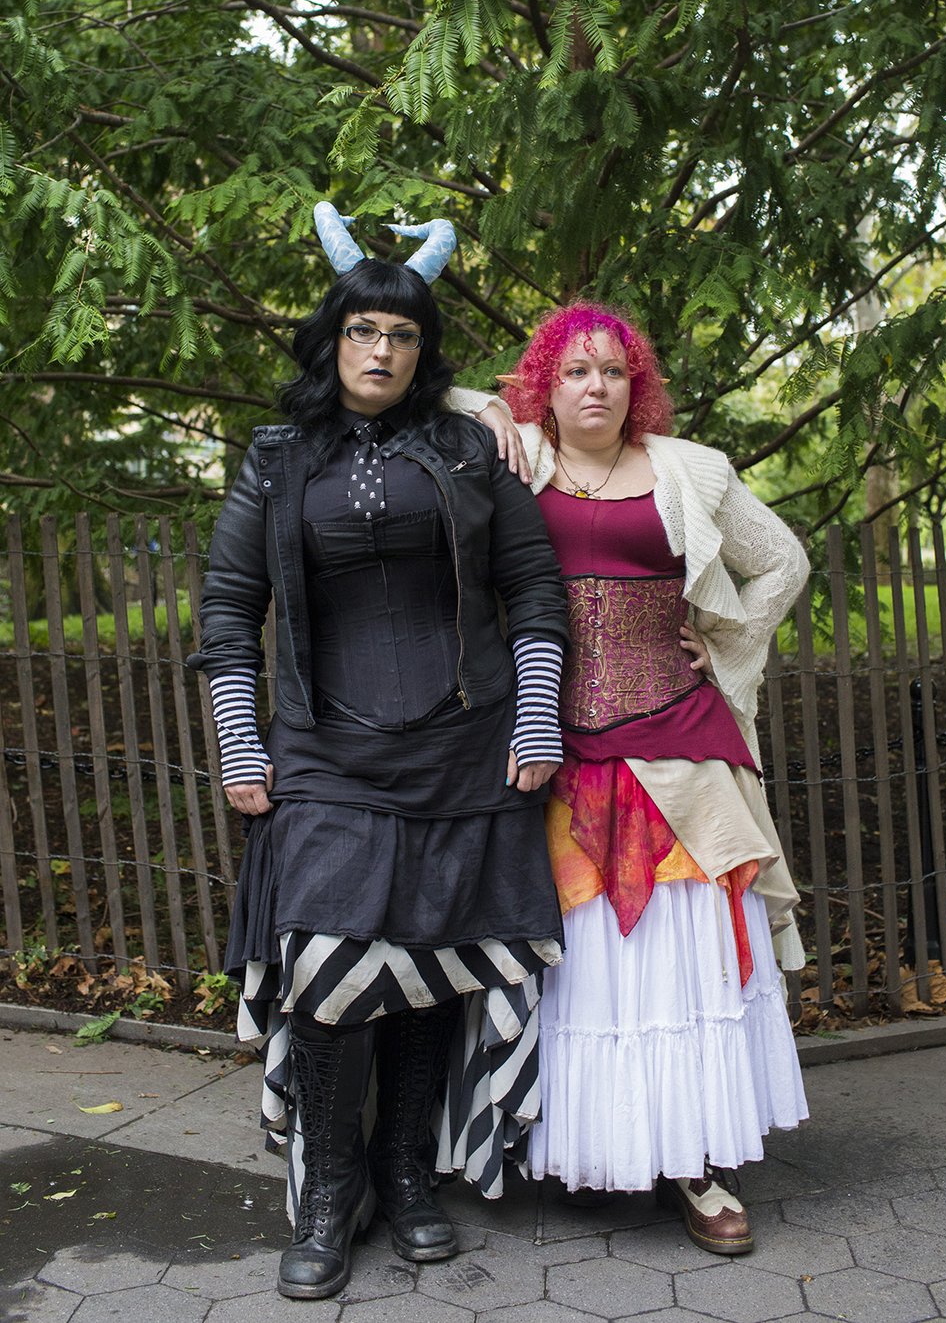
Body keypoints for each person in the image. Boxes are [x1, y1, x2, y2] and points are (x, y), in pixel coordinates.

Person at [189, 204, 569, 1301]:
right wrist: (239, 742)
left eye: (401, 336)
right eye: (362, 331)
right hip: (321, 753)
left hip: (466, 747)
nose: (381, 352)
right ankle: (326, 1190)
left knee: (430, 967)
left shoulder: (467, 447)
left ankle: (407, 1174)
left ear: (421, 350)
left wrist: (537, 715)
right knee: (325, 972)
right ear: (332, 338)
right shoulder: (274, 457)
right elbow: (226, 609)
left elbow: (535, 589)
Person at [450, 300, 809, 1255]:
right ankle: (599, 1149)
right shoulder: (516, 453)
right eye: (575, 371)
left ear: (635, 383)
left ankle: (699, 1165)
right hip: (552, 749)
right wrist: (492, 409)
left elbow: (782, 562)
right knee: (585, 966)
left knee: (684, 947)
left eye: (612, 370)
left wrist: (723, 637)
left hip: (677, 744)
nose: (596, 385)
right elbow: (422, 390)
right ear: (546, 384)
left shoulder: (689, 469)